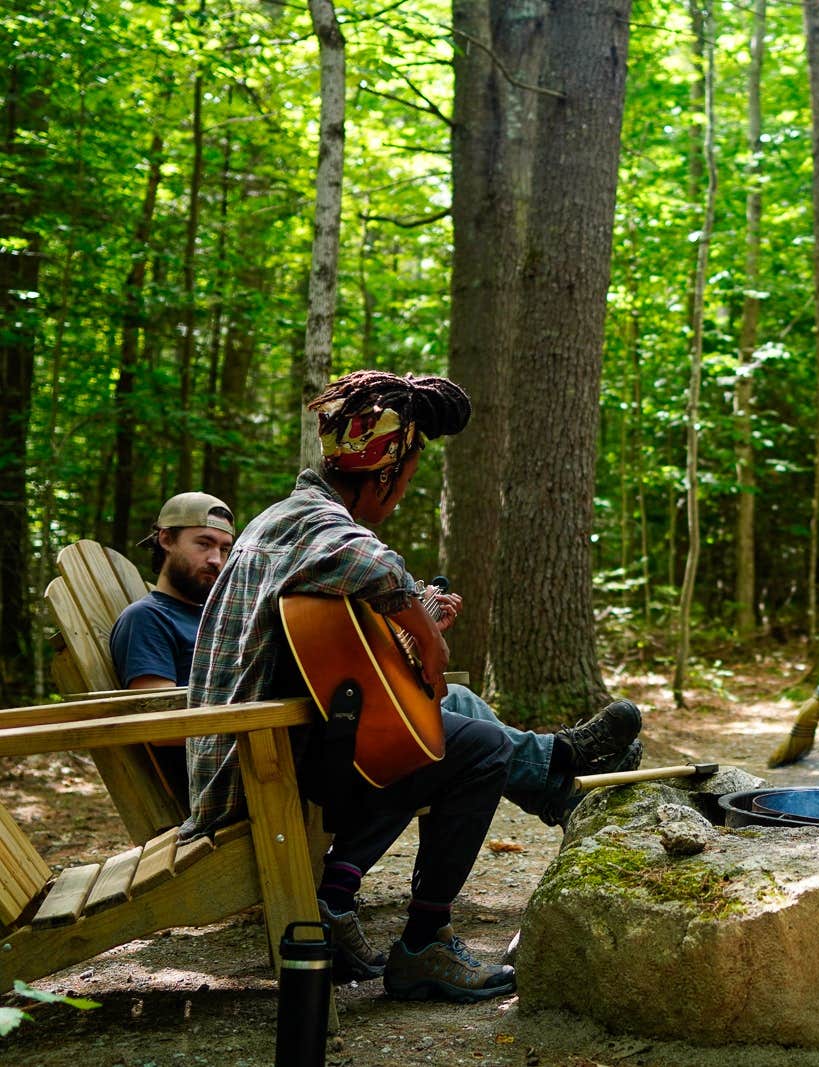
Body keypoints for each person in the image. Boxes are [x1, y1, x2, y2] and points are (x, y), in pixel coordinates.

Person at [181, 370, 641, 1002]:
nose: (396, 500)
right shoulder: (313, 522)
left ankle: (346, 891)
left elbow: (330, 628)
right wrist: (425, 633)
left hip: (279, 739)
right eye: (402, 484)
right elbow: (367, 562)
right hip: (255, 764)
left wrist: (407, 617)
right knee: (476, 749)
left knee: (438, 713)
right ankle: (425, 944)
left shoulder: (288, 520)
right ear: (382, 475)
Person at [109, 492, 238, 799]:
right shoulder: (147, 619)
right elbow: (162, 728)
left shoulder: (218, 618)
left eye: (224, 549)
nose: (216, 560)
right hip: (222, 786)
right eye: (203, 544)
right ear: (166, 539)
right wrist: (259, 727)